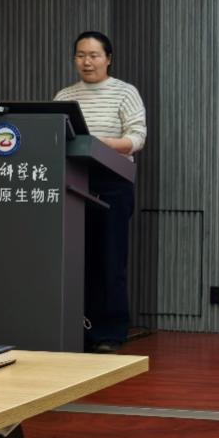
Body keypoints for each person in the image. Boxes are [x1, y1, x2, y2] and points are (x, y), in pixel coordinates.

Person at [55, 31, 146, 352]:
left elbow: (137, 138)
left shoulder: (125, 92)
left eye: (94, 55)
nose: (87, 61)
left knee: (109, 258)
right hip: (73, 181)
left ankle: (110, 333)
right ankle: (77, 330)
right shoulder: (64, 96)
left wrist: (102, 144)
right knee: (76, 258)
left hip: (113, 182)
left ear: (108, 58)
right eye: (81, 55)